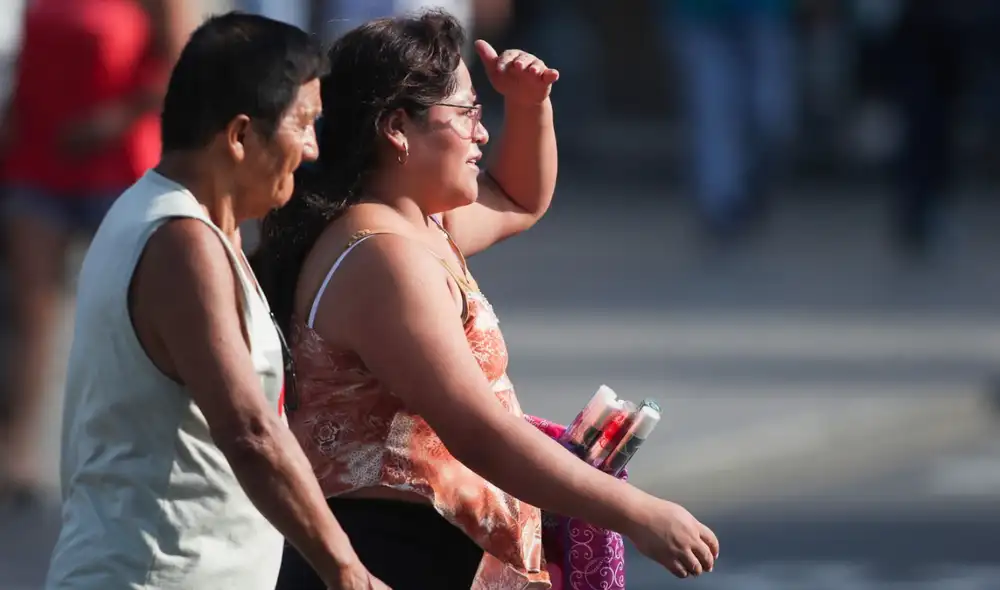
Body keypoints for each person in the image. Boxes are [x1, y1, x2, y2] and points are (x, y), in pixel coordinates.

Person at [252, 11, 718, 590]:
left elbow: (518, 199)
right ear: (397, 127)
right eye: (467, 112)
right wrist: (639, 513)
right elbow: (479, 432)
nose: (482, 131)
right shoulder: (381, 260)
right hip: (392, 557)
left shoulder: (416, 223)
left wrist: (528, 104)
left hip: (427, 553)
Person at [45, 12, 388, 590]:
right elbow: (250, 431)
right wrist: (348, 572)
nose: (310, 150)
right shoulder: (181, 242)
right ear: (239, 135)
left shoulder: (185, 224)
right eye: (303, 125)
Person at [0, 0, 191, 505]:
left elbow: (177, 66)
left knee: (121, 314)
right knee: (30, 314)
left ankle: (121, 453)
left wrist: (114, 119)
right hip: (37, 161)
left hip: (116, 163)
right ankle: (17, 451)